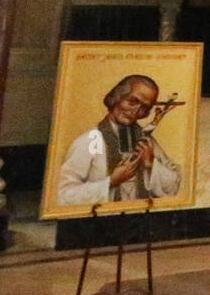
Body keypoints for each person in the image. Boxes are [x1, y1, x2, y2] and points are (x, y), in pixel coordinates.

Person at [57, 74, 182, 206]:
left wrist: (151, 164)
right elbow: (62, 196)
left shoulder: (146, 141)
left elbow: (174, 186)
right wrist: (111, 182)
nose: (135, 111)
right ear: (116, 98)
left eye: (144, 108)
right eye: (132, 102)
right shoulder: (89, 141)